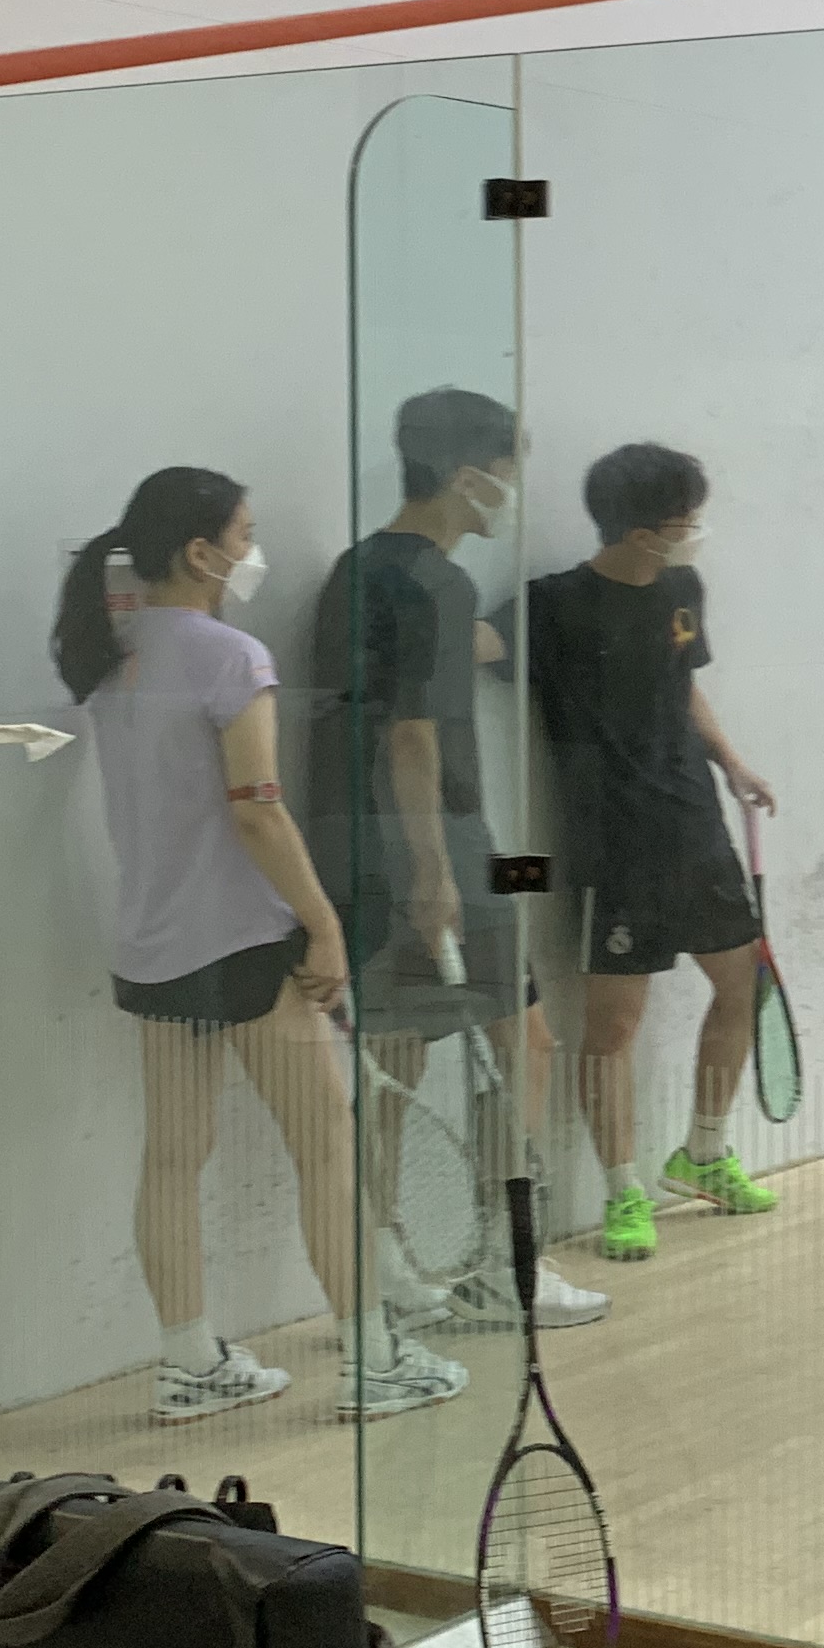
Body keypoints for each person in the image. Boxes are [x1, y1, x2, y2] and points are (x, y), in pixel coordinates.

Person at [52, 467, 468, 1422]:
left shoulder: (115, 661)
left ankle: (189, 1362)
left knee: (172, 1157)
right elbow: (259, 813)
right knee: (327, 1145)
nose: (252, 552)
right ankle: (373, 1360)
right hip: (241, 944)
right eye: (244, 536)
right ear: (201, 553)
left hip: (151, 947)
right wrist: (322, 924)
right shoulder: (232, 658)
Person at [303, 386, 605, 1329]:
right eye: (508, 471)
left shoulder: (355, 570)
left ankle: (388, 1268)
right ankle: (506, 1263)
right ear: (466, 474)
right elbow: (412, 735)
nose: (512, 490)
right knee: (528, 1043)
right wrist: (434, 872)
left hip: (355, 848)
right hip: (433, 849)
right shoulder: (439, 582)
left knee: (391, 1064)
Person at [524, 442, 784, 1260]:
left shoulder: (682, 589)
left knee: (742, 986)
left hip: (695, 825)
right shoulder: (551, 605)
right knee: (613, 1027)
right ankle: (622, 1193)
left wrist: (732, 763)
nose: (696, 532)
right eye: (685, 521)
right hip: (614, 845)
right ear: (642, 533)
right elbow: (477, 657)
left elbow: (685, 685)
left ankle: (703, 1152)